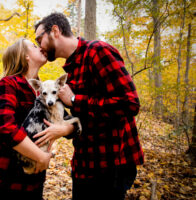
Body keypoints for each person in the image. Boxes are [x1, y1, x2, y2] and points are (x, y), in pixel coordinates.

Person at [33, 13, 144, 200]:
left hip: (111, 166)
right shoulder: (71, 68)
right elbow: (85, 119)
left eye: (39, 39)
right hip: (85, 164)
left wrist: (76, 100)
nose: (39, 46)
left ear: (55, 31)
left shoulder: (98, 51)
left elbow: (130, 103)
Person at [0, 38, 75, 200]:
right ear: (25, 55)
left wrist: (64, 129)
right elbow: (4, 126)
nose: (40, 47)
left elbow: (70, 122)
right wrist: (40, 156)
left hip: (34, 179)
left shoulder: (45, 91)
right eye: (34, 46)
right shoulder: (10, 84)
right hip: (6, 179)